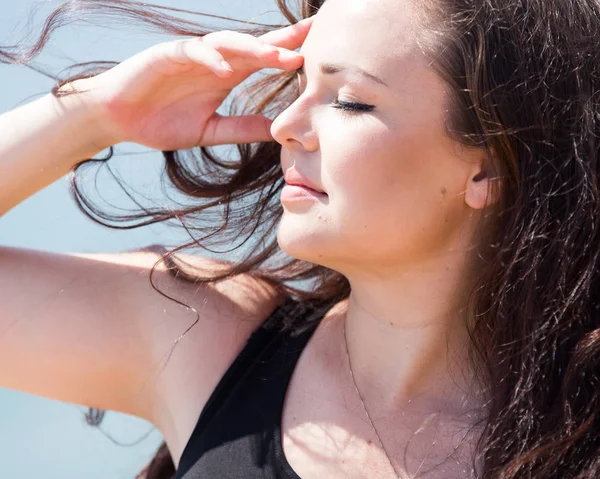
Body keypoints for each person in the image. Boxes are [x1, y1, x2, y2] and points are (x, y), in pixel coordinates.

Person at [1, 0, 599, 477]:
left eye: (350, 101)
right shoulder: (202, 335)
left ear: (487, 168)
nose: (285, 127)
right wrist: (96, 113)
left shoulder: (579, 434)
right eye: (299, 86)